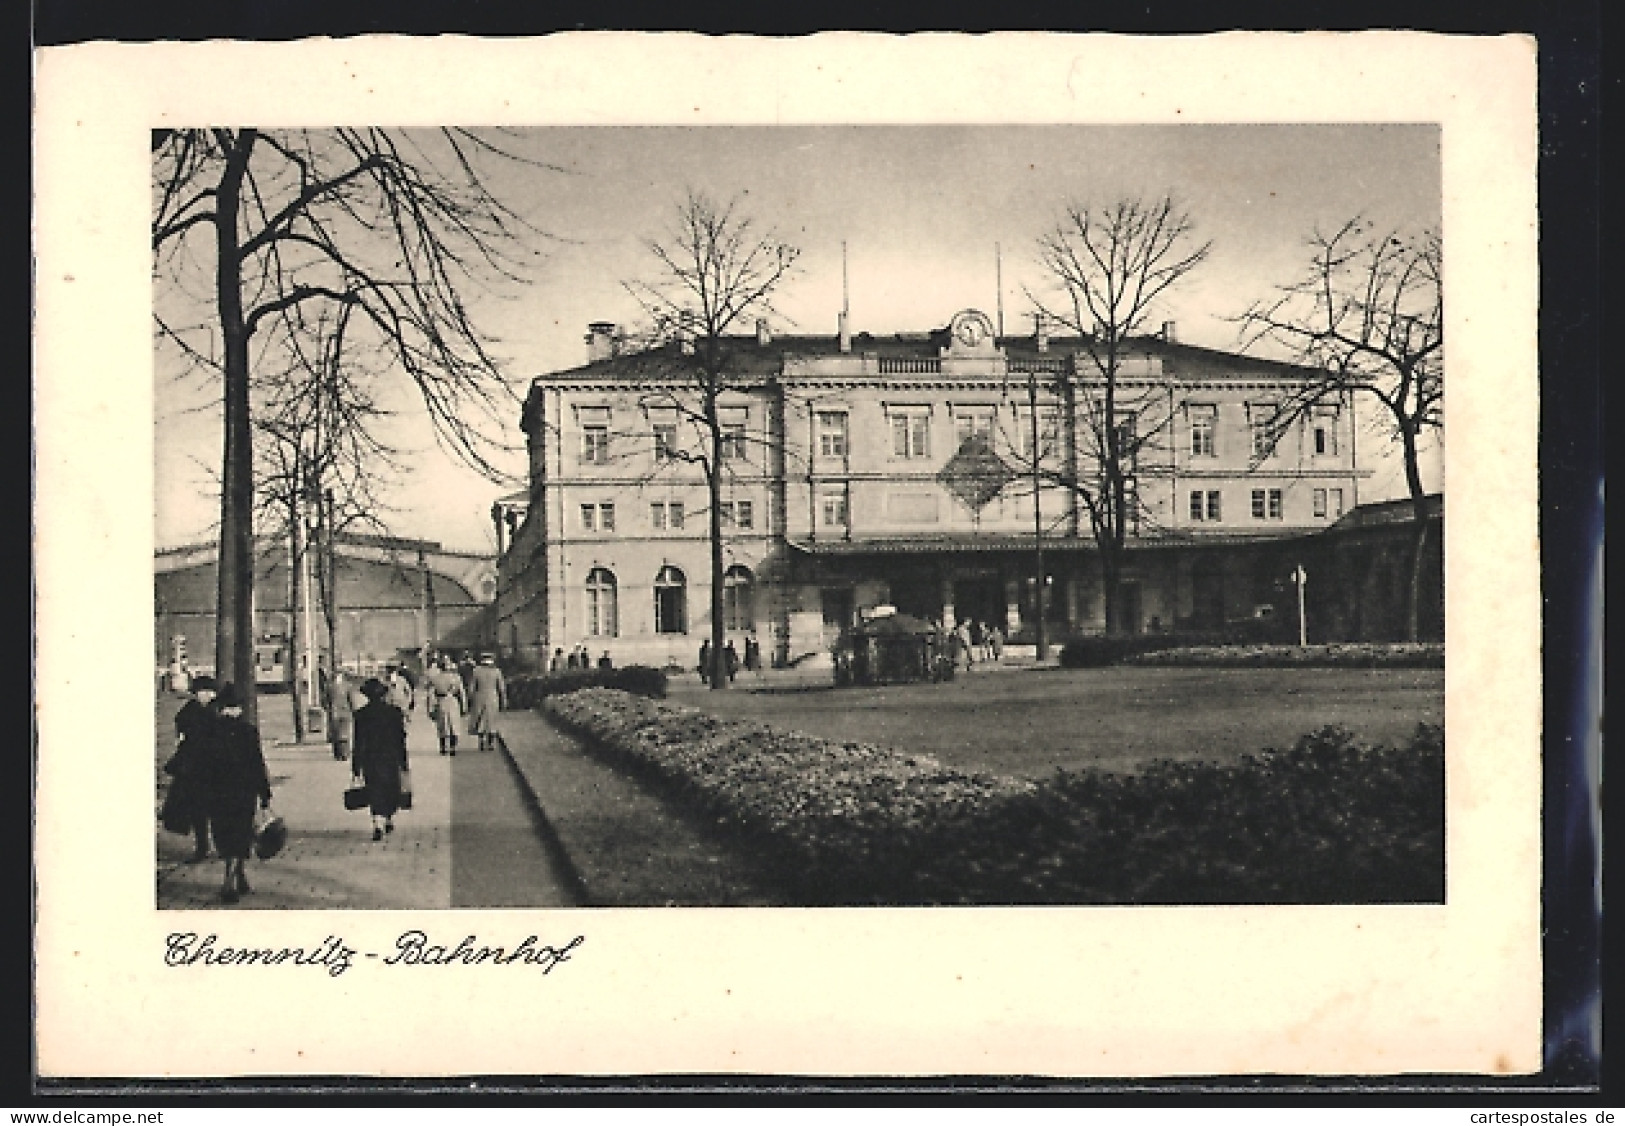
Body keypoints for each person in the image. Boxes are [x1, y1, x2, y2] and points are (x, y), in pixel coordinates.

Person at [196, 683, 272, 904]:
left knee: (223, 833)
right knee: (241, 834)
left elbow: (203, 766)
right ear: (238, 709)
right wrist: (264, 793)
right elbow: (257, 764)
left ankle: (238, 876)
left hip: (217, 792)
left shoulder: (210, 733)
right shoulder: (248, 732)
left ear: (221, 708)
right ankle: (230, 880)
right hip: (243, 792)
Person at [166, 674, 217, 861]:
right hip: (196, 768)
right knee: (199, 809)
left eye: (210, 692)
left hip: (211, 766)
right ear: (197, 693)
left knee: (214, 808)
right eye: (204, 692)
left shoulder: (212, 711)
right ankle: (202, 846)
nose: (208, 695)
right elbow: (181, 735)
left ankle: (213, 845)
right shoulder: (191, 712)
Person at [352, 677, 409, 841]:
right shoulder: (394, 713)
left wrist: (356, 767)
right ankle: (388, 818)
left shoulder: (361, 715)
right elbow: (400, 739)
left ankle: (378, 822)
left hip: (370, 759)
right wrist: (404, 761)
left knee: (375, 789)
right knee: (391, 789)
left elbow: (358, 742)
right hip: (390, 757)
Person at [423, 656, 467, 756]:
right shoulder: (456, 678)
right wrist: (464, 706)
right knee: (454, 726)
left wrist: (430, 709)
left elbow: (431, 694)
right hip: (453, 702)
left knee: (443, 726)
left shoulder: (436, 679)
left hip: (441, 702)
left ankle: (443, 747)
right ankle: (453, 747)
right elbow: (462, 693)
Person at [467, 654, 508, 753]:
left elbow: (471, 687)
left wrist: (470, 698)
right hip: (492, 698)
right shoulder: (497, 671)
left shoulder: (476, 671)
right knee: (491, 720)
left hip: (479, 697)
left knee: (480, 719)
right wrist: (504, 700)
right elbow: (501, 688)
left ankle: (481, 740)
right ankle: (490, 743)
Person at [326, 665, 354, 761]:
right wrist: (328, 708)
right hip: (335, 711)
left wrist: (352, 709)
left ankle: (344, 753)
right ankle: (338, 753)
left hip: (344, 711)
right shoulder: (330, 686)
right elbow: (326, 700)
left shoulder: (347, 686)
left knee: (344, 733)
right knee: (337, 733)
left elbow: (351, 699)